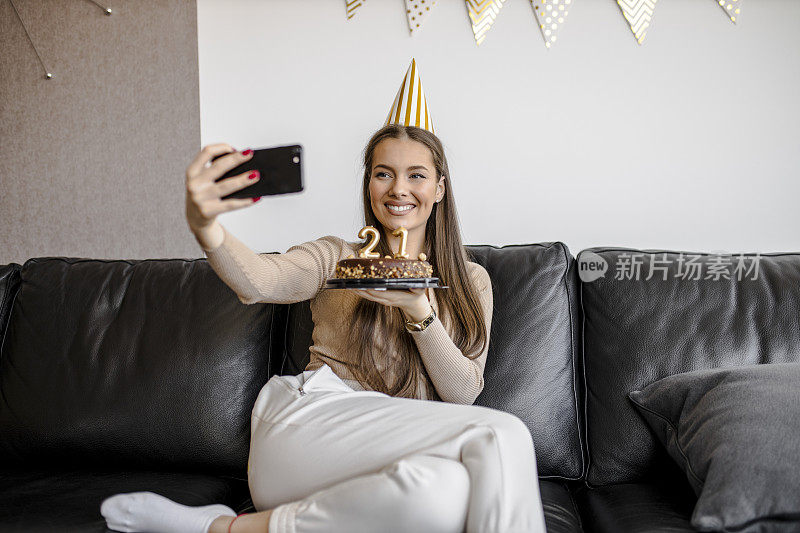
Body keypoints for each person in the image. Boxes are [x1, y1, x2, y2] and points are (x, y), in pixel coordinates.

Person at [100, 61, 547, 533]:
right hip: (308, 426)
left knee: (443, 495)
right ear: (368, 183)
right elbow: (258, 282)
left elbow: (462, 396)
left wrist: (420, 311)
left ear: (439, 188)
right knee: (506, 433)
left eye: (416, 175)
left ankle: (220, 529)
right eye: (383, 174)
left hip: (399, 448)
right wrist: (205, 226)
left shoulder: (470, 279)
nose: (398, 188)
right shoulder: (338, 258)